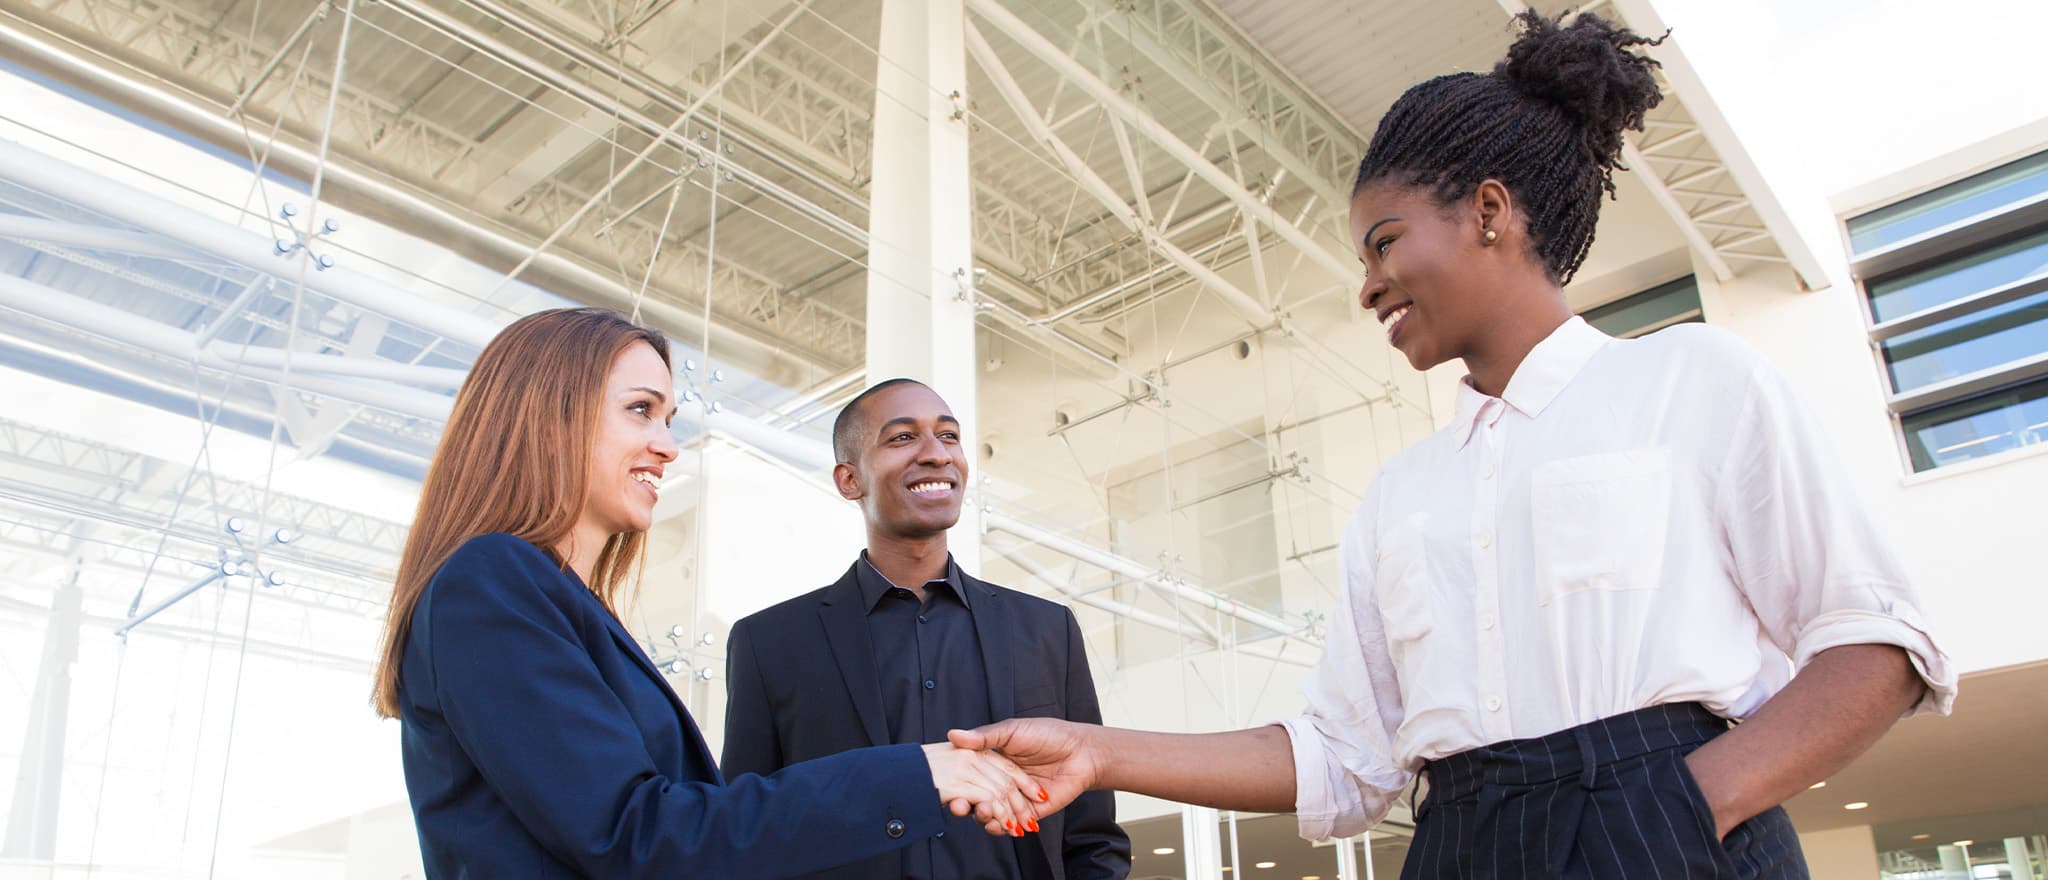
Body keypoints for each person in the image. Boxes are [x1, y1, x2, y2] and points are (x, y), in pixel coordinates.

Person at [955, 12, 1956, 880]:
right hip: (1462, 837)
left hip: (1674, 829)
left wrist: (1682, 805)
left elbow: (1871, 645)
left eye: (1383, 242)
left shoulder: (1691, 380)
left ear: (1487, 211)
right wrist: (1093, 749)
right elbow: (1347, 758)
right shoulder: (1398, 495)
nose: (1366, 286)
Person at [369, 309, 1046, 878]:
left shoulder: (554, 599)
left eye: (668, 418)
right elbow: (633, 834)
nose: (666, 446)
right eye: (641, 411)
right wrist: (917, 775)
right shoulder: (492, 581)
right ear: (549, 416)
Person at [722, 378, 1130, 880]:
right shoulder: (769, 643)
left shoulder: (1048, 629)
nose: (937, 455)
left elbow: (1092, 836)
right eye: (902, 438)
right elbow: (744, 828)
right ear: (850, 480)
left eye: (949, 436)